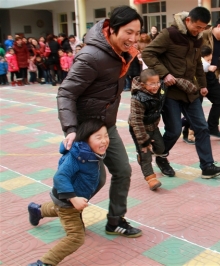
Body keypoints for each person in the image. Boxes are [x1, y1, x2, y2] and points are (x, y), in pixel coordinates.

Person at [56, 5, 143, 237]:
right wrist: (72, 129)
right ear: (112, 30)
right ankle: (62, 208)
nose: (133, 38)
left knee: (123, 170)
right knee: (96, 179)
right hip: (85, 129)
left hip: (106, 126)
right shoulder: (91, 56)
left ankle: (115, 221)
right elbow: (66, 93)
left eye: (137, 33)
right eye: (128, 32)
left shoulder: (122, 54)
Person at [141, 6, 220, 179]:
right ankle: (161, 157)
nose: (200, 31)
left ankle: (207, 166)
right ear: (188, 20)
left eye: (203, 28)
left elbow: (197, 63)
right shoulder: (169, 34)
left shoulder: (199, 38)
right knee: (173, 130)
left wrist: (203, 85)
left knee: (202, 128)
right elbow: (147, 53)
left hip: (190, 91)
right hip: (171, 92)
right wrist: (164, 74)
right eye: (197, 27)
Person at [27, 119, 111, 266]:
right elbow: (60, 177)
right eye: (99, 137)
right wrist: (73, 198)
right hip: (67, 200)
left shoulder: (90, 153)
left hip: (64, 200)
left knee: (59, 210)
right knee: (76, 237)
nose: (104, 141)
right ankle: (44, 263)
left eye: (106, 136)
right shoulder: (77, 156)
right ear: (86, 139)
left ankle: (37, 211)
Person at [129, 69, 198, 190]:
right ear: (143, 84)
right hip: (139, 129)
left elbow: (177, 82)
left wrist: (188, 86)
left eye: (157, 82)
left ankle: (144, 155)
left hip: (153, 127)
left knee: (161, 149)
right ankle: (151, 178)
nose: (155, 86)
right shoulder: (137, 98)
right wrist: (144, 139)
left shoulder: (161, 88)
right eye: (151, 84)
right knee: (145, 153)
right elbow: (136, 121)